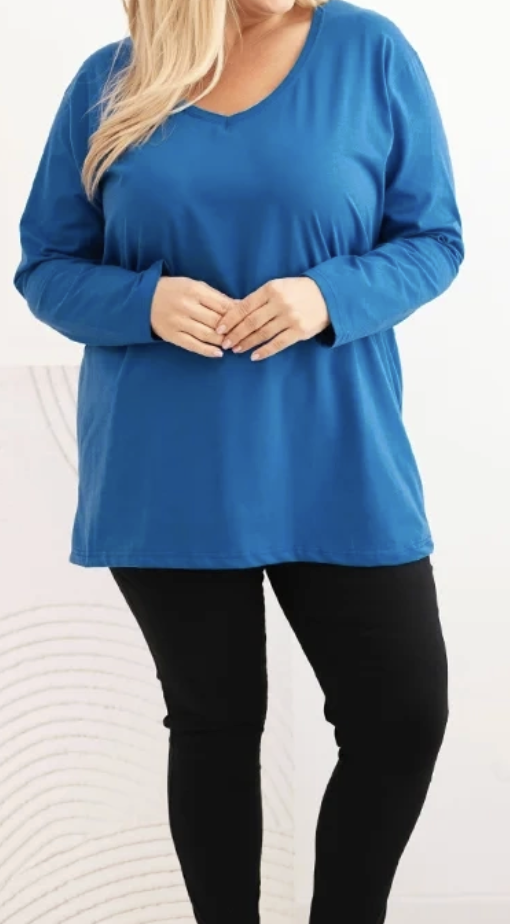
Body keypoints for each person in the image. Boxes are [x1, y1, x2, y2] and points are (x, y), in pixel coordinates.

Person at [13, 0, 464, 921]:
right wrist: (142, 304)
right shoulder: (113, 80)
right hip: (167, 465)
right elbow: (46, 265)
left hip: (339, 450)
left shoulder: (368, 52)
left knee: (401, 719)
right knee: (215, 728)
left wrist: (327, 295)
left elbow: (434, 241)